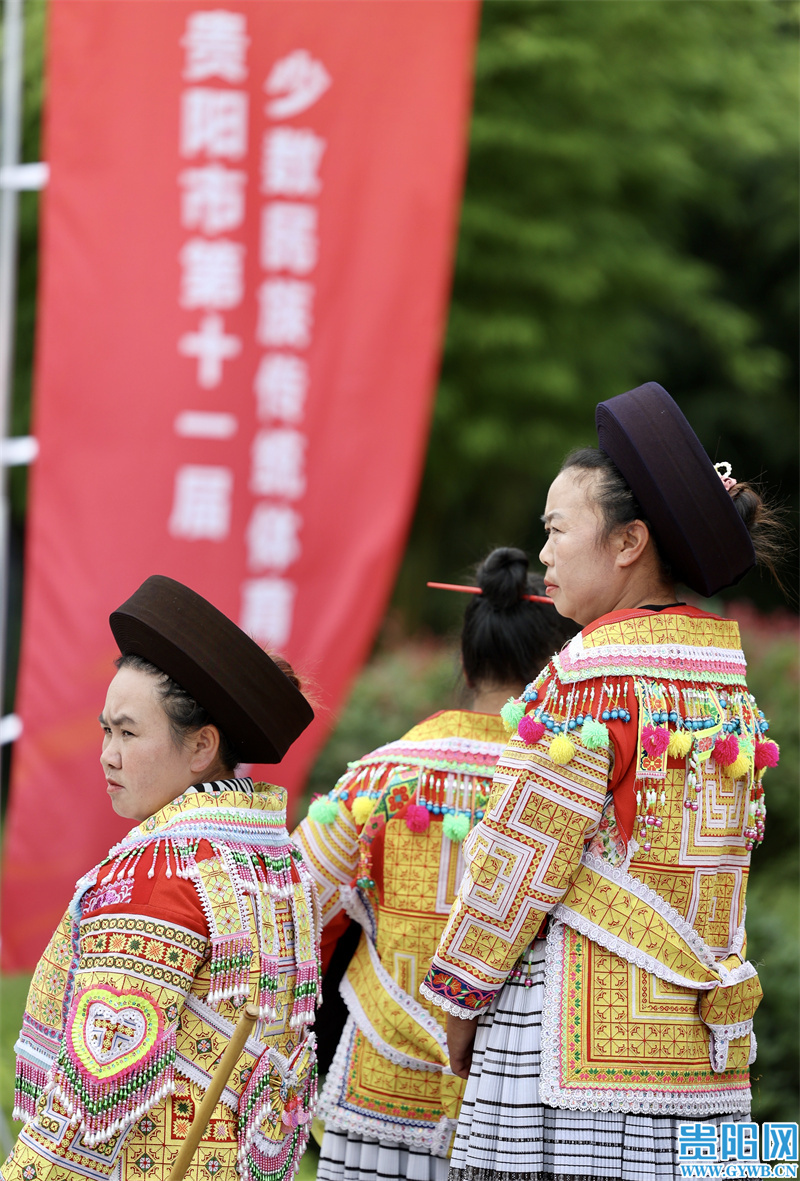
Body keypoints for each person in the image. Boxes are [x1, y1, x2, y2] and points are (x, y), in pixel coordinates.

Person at [421, 382, 785, 1181]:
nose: (543, 553)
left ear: (628, 544)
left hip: (574, 1060)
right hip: (706, 1052)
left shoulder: (590, 673)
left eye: (555, 530)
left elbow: (513, 859)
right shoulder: (727, 680)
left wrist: (455, 1000)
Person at [3, 575, 320, 1181]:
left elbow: (92, 1097)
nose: (107, 754)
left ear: (201, 746)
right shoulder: (276, 860)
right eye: (105, 730)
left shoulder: (158, 872)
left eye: (128, 732)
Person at [293, 548, 578, 1181]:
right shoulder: (566, 783)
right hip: (514, 1087)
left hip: (383, 1071)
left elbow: (288, 902)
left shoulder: (383, 774)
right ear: (558, 665)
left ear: (466, 661)